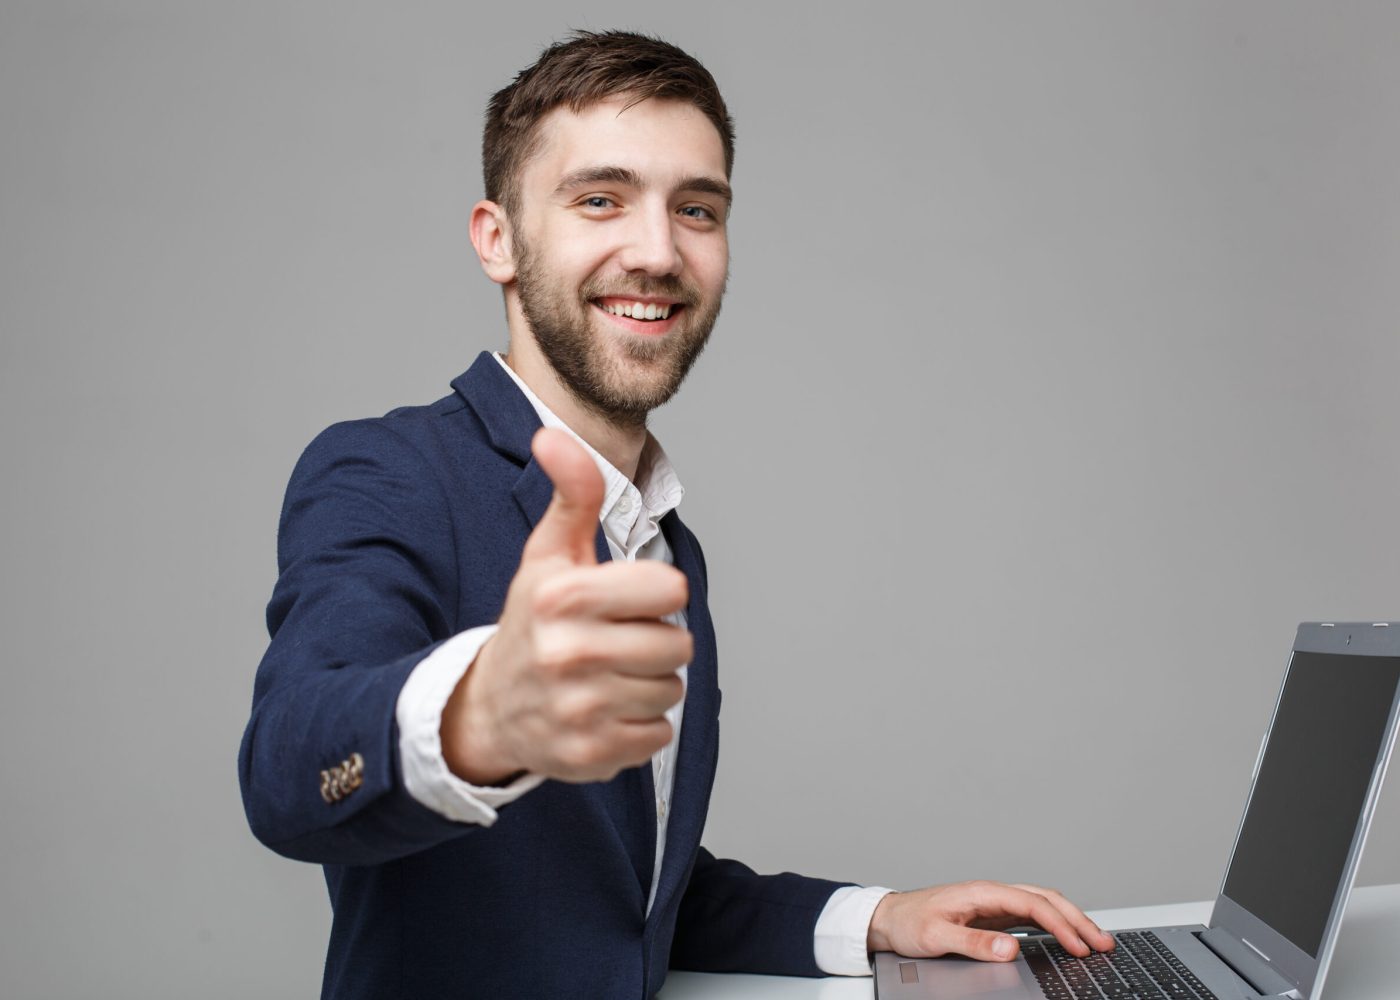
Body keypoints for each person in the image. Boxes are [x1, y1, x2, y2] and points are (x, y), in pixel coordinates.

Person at [238, 30, 1114, 999]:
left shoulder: (663, 544)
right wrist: (476, 713)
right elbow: (290, 768)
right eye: (600, 199)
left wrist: (874, 916)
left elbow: (624, 900)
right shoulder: (386, 470)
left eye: (695, 209)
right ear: (498, 239)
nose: (656, 251)